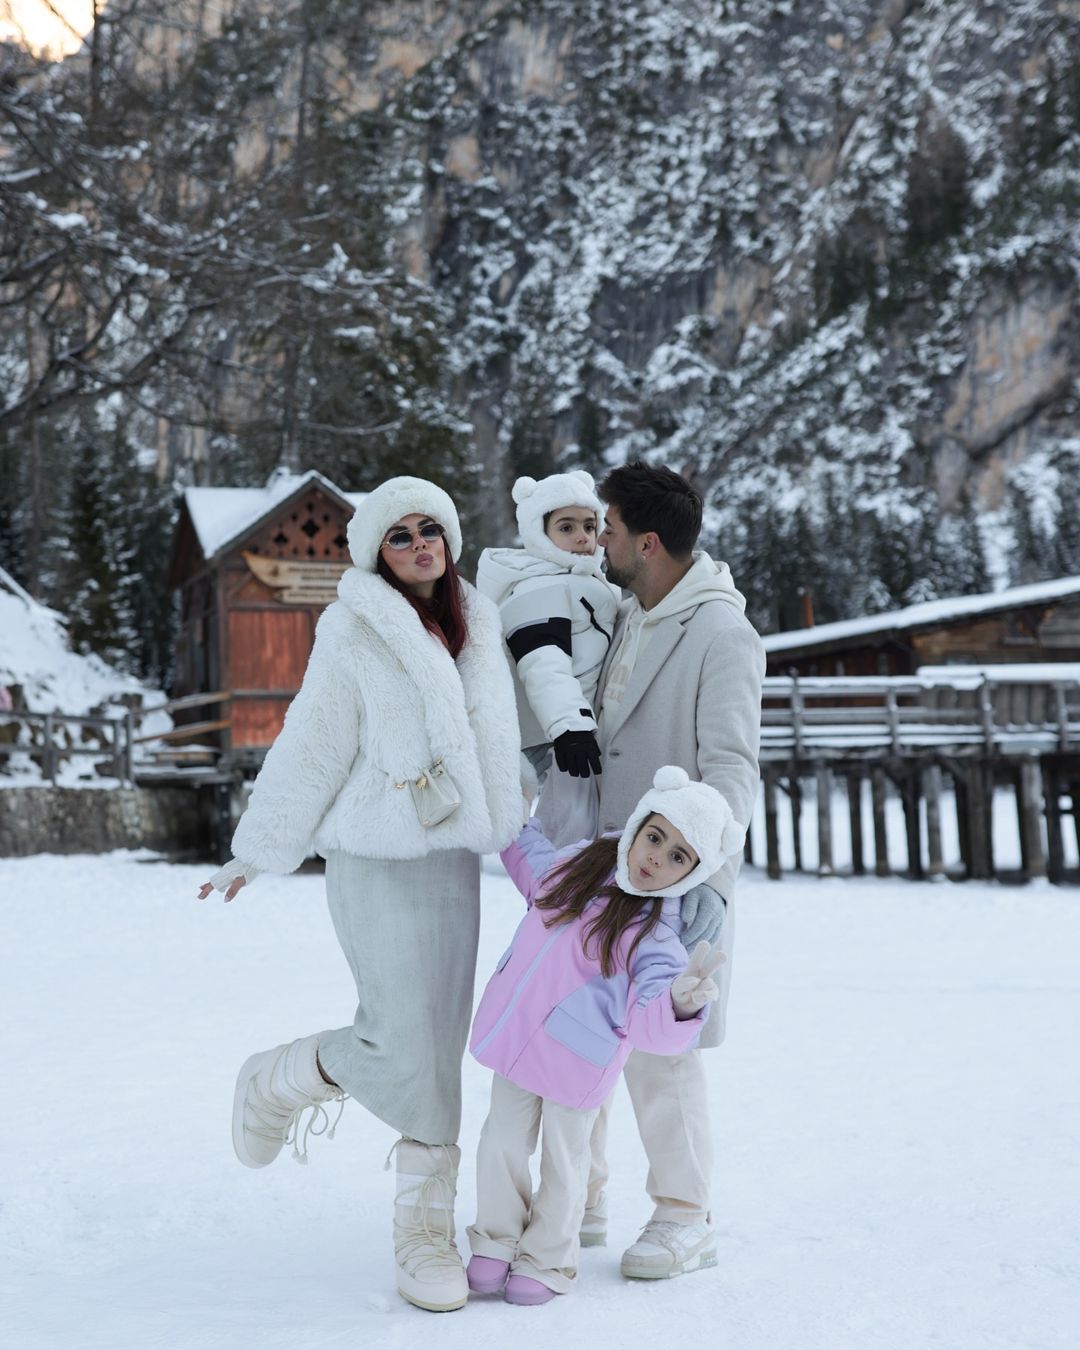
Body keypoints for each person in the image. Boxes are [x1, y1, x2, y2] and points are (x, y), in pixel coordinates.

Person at [198, 475, 522, 1314]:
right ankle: (284, 1077)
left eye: (431, 530)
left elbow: (500, 739)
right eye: (400, 534)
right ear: (377, 550)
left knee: (438, 1049)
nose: (419, 544)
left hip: (450, 859)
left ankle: (425, 1227)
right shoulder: (351, 628)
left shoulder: (478, 623)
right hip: (374, 854)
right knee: (398, 1036)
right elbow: (313, 740)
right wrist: (256, 852)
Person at [538, 460, 765, 1280]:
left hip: (669, 877)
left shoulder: (723, 634)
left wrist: (705, 883)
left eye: (607, 527)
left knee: (663, 1054)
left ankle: (684, 1215)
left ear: (648, 541)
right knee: (581, 1034)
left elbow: (733, 770)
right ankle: (585, 1196)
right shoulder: (626, 610)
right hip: (598, 868)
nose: (596, 539)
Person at [466, 767, 745, 1305]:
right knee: (500, 1142)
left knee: (563, 1162)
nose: (655, 858)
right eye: (656, 837)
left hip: (576, 1063)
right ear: (639, 825)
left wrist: (681, 1004)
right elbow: (532, 864)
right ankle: (496, 1241)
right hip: (519, 1038)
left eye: (677, 857)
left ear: (691, 873)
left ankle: (549, 1259)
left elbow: (649, 1026)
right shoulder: (577, 866)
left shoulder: (658, 936)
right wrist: (509, 809)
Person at [476, 470, 618, 783]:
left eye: (590, 525)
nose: (582, 536)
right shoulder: (539, 587)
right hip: (552, 738)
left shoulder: (584, 580)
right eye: (566, 527)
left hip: (574, 729)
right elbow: (543, 664)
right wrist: (569, 728)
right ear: (539, 533)